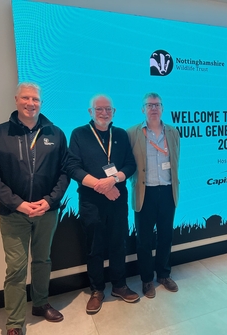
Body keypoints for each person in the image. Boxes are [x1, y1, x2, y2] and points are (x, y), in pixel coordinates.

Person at [0, 83, 69, 335]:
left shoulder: (56, 133)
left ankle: (40, 304)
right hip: (13, 215)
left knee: (42, 260)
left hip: (46, 212)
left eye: (36, 99)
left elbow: (65, 172)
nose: (31, 103)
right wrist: (17, 203)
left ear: (41, 102)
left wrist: (50, 201)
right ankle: (15, 323)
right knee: (16, 269)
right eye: (26, 98)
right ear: (16, 100)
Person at [65, 95, 139, 314]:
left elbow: (130, 165)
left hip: (118, 198)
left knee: (119, 243)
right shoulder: (79, 134)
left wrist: (113, 180)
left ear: (114, 112)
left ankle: (119, 285)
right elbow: (72, 167)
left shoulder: (121, 134)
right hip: (91, 201)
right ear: (90, 112)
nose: (104, 113)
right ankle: (97, 290)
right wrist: (101, 185)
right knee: (94, 247)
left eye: (108, 109)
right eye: (99, 109)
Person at [127, 92, 180, 298]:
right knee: (144, 240)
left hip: (168, 192)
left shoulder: (173, 133)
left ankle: (164, 274)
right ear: (143, 109)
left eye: (157, 105)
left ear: (163, 108)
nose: (154, 108)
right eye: (149, 105)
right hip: (144, 192)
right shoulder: (132, 132)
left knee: (166, 236)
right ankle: (147, 279)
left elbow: (176, 161)